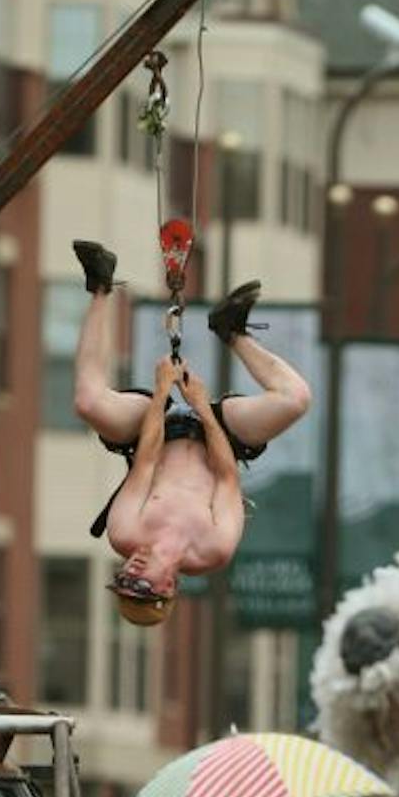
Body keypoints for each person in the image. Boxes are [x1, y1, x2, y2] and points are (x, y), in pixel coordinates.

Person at [69, 241, 312, 627]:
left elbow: (146, 463)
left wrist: (162, 392)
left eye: (123, 580)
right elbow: (227, 476)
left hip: (152, 432)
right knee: (295, 399)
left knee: (88, 402)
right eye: (139, 584)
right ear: (168, 586)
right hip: (222, 438)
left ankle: (99, 286)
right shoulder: (213, 550)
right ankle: (232, 331)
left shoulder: (124, 533)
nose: (131, 571)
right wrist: (201, 406)